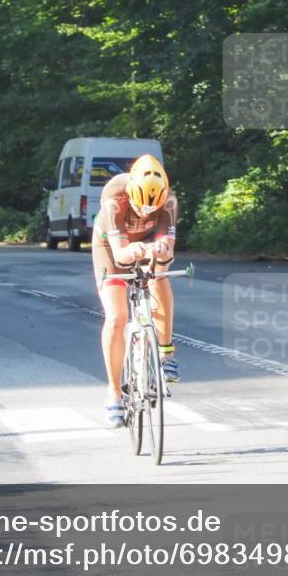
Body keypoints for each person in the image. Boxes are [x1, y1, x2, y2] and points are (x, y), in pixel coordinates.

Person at [91, 155, 179, 427]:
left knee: (160, 276)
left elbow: (168, 249)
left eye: (152, 207)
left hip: (146, 243)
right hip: (110, 245)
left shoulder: (169, 203)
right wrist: (132, 250)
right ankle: (115, 394)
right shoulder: (113, 196)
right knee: (117, 317)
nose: (145, 211)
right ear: (131, 193)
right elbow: (119, 256)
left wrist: (161, 249)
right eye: (140, 205)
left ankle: (165, 353)